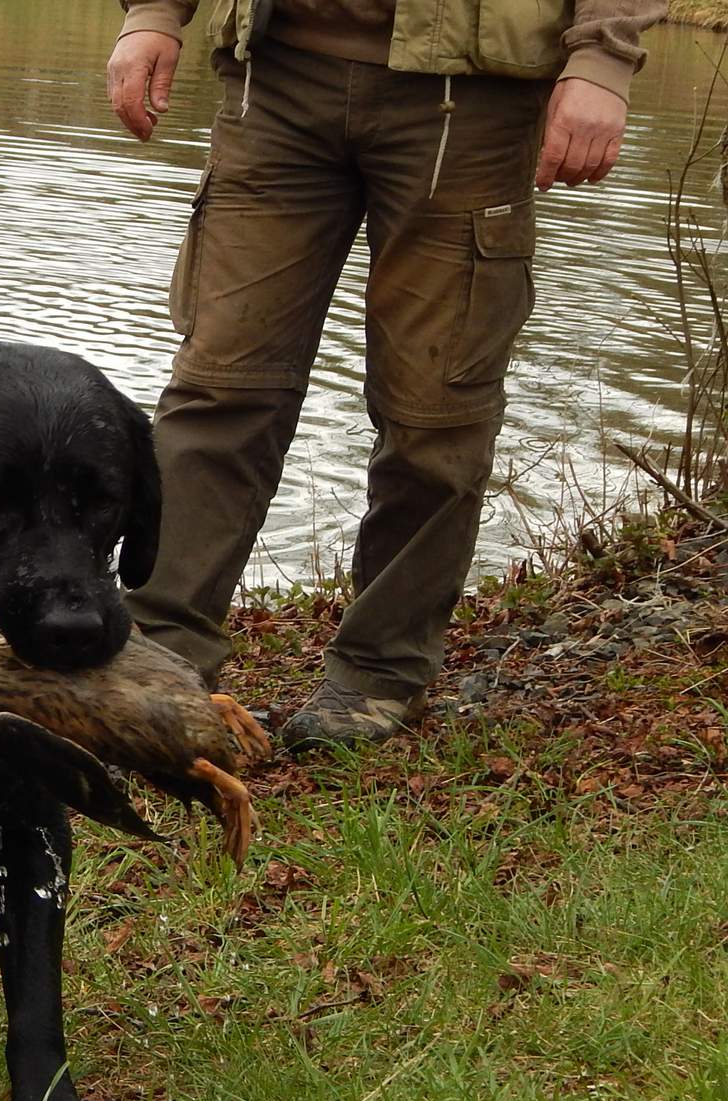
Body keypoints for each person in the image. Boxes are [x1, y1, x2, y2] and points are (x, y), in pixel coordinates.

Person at [106, 0, 664, 747]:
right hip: (273, 78)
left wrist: (603, 58)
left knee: (436, 412)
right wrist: (151, 13)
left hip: (470, 98)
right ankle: (160, 655)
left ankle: (377, 675)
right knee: (219, 387)